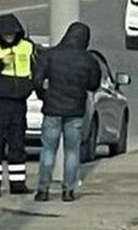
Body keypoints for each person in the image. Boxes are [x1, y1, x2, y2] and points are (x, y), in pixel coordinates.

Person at [32, 21, 101, 202]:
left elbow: (37, 80)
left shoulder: (51, 55)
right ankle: (69, 190)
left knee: (48, 149)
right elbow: (94, 84)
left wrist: (44, 96)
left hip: (52, 108)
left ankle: (43, 189)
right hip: (75, 110)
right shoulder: (88, 60)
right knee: (72, 151)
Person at [0, 13, 36, 198]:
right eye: (6, 35)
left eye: (12, 34)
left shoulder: (27, 47)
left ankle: (17, 183)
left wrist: (32, 86)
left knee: (17, 144)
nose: (9, 37)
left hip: (19, 102)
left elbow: (36, 68)